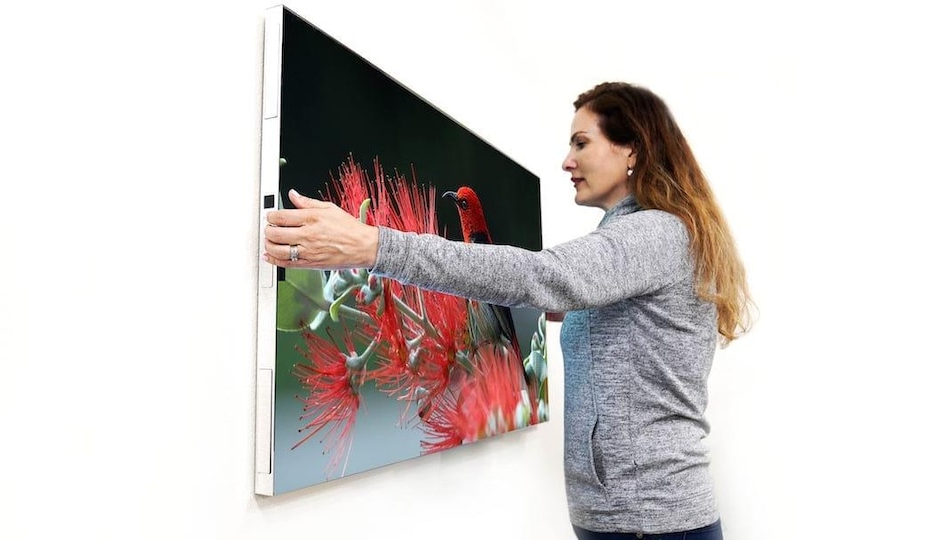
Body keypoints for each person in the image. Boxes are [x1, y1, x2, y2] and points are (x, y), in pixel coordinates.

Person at [263, 82, 751, 539]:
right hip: (634, 517)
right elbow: (609, 323)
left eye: (581, 143)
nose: (567, 160)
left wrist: (373, 245)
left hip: (649, 522)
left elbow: (541, 277)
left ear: (632, 151)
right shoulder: (647, 240)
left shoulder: (652, 235)